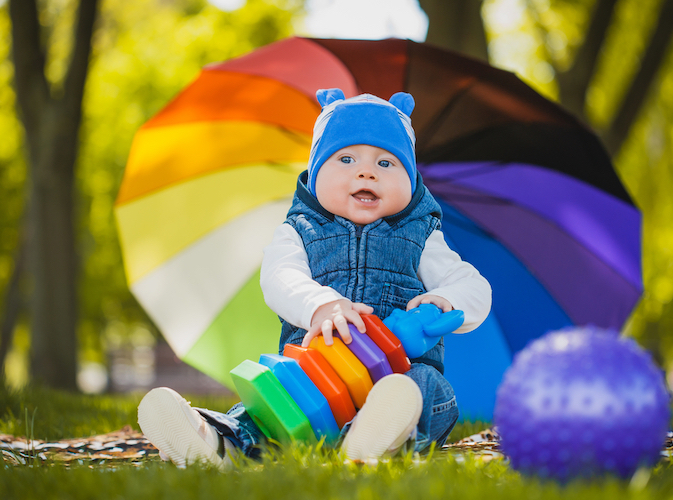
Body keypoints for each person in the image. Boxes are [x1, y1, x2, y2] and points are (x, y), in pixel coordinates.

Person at [137, 88, 492, 467]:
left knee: (424, 391)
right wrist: (319, 304)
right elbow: (279, 276)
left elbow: (474, 287)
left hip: (398, 372)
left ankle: (378, 436)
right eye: (346, 158)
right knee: (271, 405)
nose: (366, 171)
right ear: (315, 171)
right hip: (314, 371)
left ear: (412, 181)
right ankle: (214, 440)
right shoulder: (299, 231)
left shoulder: (422, 237)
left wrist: (445, 300)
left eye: (387, 163)